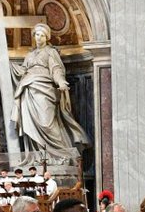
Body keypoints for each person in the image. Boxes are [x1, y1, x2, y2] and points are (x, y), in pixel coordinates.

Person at [12, 23, 90, 158]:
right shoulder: (30, 55)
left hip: (45, 89)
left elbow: (56, 69)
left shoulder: (50, 52)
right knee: (31, 124)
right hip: (28, 90)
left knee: (46, 123)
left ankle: (62, 154)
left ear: (47, 37)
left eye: (42, 35)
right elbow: (22, 70)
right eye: (37, 34)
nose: (39, 37)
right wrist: (6, 65)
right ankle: (39, 157)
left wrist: (61, 81)